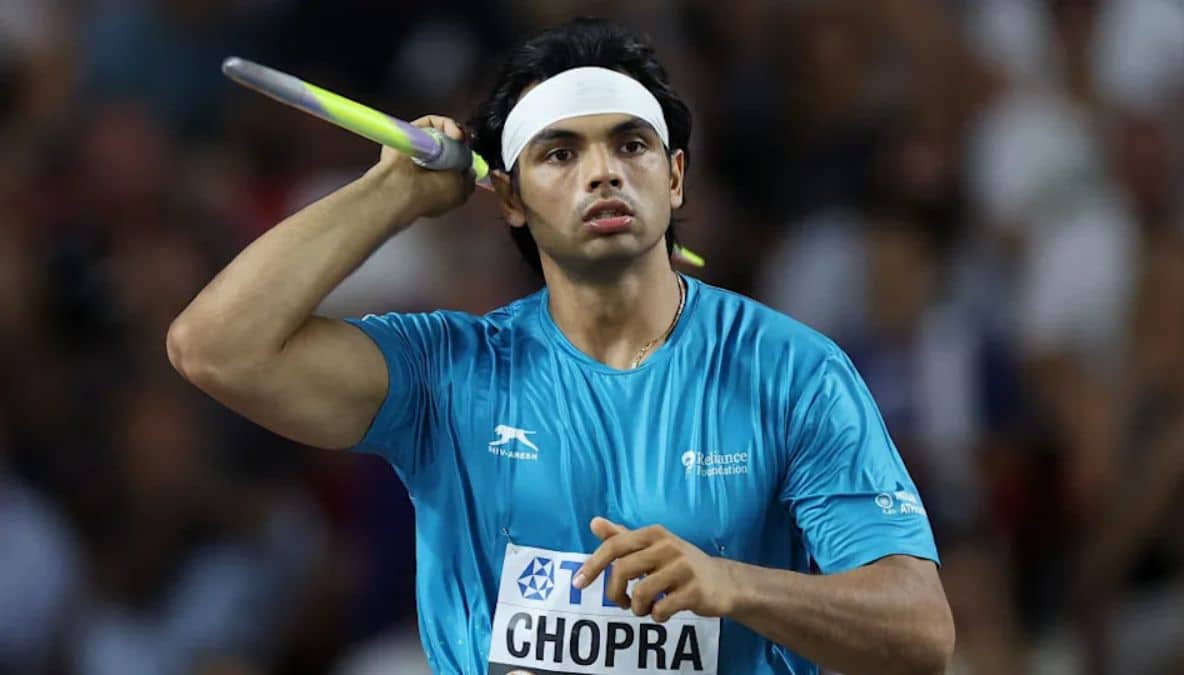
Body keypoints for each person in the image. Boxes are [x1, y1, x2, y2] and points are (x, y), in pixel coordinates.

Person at [167, 17, 954, 675]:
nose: (602, 173)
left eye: (631, 145)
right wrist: (391, 193)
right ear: (509, 198)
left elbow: (919, 629)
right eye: (560, 152)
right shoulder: (451, 372)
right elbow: (215, 347)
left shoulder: (790, 371)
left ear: (676, 178)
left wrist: (733, 584)